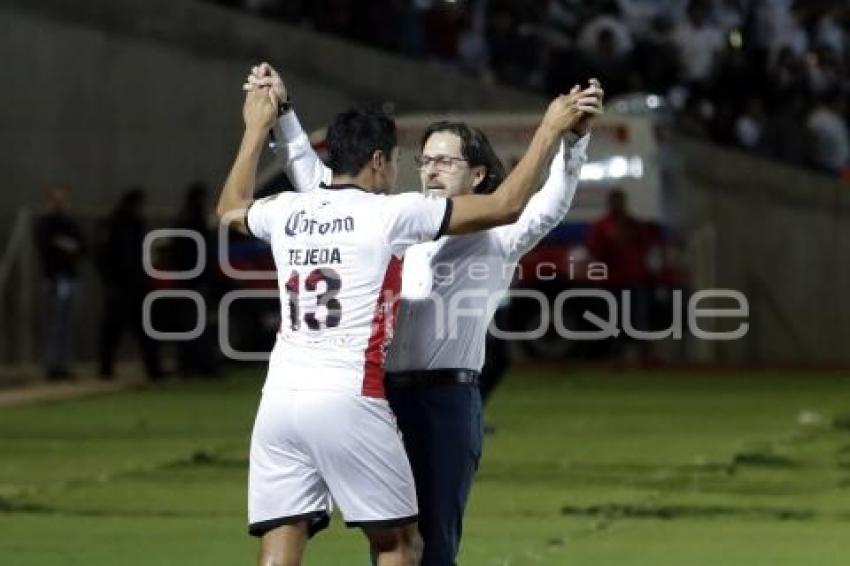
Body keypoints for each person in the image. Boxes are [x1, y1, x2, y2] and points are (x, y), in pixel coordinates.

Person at [218, 75, 599, 566]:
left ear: (479, 176)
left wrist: (572, 141)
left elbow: (546, 203)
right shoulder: (396, 217)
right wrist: (286, 117)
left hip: (443, 400)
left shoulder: (493, 237)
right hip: (375, 394)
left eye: (446, 160)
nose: (431, 169)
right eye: (425, 160)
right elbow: (320, 183)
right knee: (393, 545)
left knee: (431, 546)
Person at [95, 188, 164, 381]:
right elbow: (103, 257)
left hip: (136, 285)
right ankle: (107, 368)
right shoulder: (115, 225)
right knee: (114, 331)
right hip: (121, 286)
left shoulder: (134, 225)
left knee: (144, 330)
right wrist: (110, 282)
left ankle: (153, 368)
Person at [34, 185, 86, 380]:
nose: (60, 204)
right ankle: (52, 365)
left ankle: (64, 364)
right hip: (55, 279)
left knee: (68, 324)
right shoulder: (45, 224)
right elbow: (46, 247)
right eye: (56, 200)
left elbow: (81, 247)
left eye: (63, 200)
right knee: (55, 323)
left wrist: (64, 245)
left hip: (71, 278)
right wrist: (66, 246)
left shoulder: (70, 223)